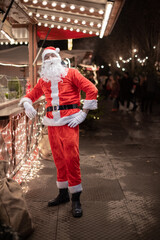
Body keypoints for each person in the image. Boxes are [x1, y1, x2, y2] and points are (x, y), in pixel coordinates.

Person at [19, 47, 98, 218]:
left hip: (70, 121)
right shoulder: (44, 80)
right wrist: (26, 103)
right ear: (44, 61)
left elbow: (92, 89)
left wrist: (83, 113)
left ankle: (76, 198)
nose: (49, 58)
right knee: (58, 159)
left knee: (72, 157)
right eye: (45, 57)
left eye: (51, 56)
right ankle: (63, 194)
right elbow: (31, 95)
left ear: (57, 57)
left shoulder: (72, 73)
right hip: (52, 124)